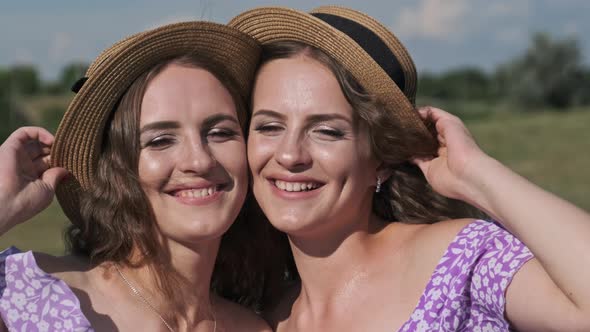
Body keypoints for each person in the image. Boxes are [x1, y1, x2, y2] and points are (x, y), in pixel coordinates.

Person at [229, 6, 590, 331]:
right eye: (269, 127)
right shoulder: (265, 319)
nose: (290, 155)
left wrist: (475, 173)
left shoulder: (460, 261)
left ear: (382, 161)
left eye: (327, 131)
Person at [0, 21, 273, 331]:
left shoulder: (254, 327)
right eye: (160, 140)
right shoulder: (24, 294)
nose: (199, 159)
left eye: (221, 132)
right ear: (117, 169)